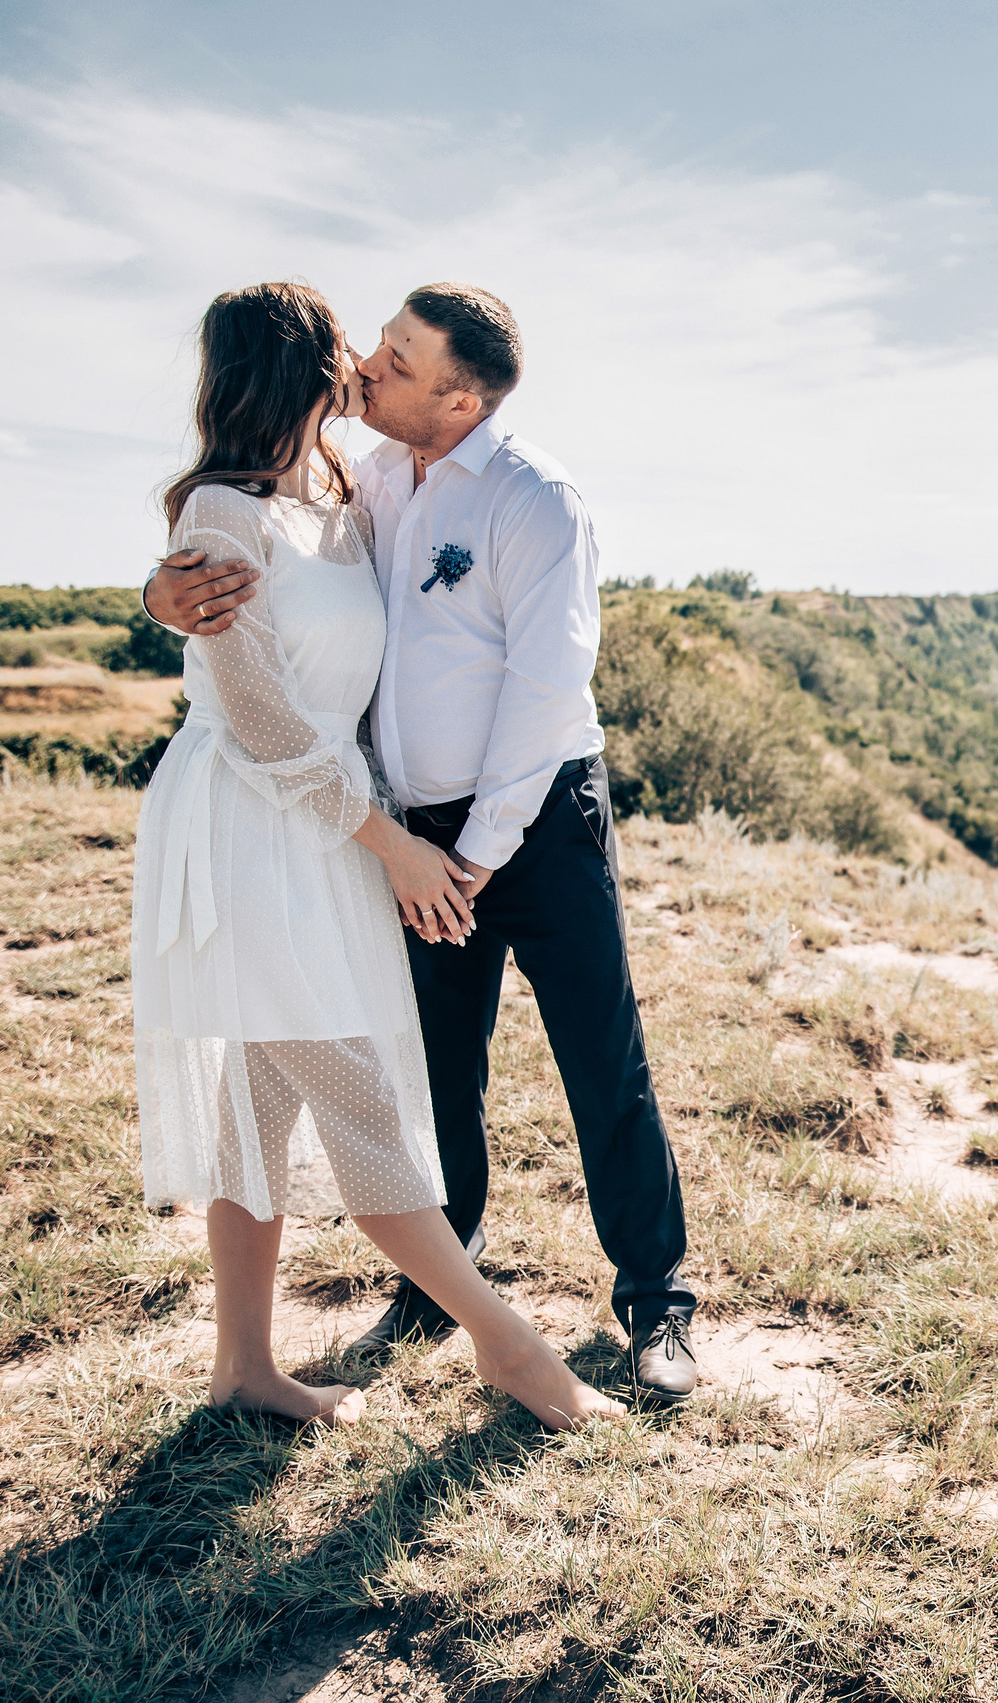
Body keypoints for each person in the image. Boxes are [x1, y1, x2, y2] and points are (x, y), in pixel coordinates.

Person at [144, 284, 698, 1404]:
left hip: (525, 818)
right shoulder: (368, 477)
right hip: (373, 827)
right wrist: (164, 591)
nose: (370, 371)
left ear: (457, 394)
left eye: (395, 359)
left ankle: (655, 1303)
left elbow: (548, 691)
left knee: (602, 1062)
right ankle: (440, 1296)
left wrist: (475, 850)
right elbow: (245, 592)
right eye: (365, 351)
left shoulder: (527, 498)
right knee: (426, 1069)